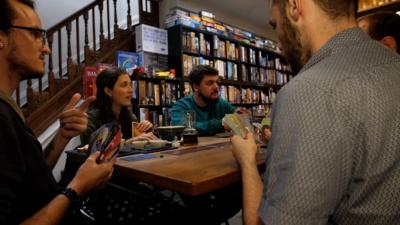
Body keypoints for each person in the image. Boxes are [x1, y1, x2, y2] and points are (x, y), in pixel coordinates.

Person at [231, 0, 400, 225]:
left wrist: (247, 161)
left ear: (294, 7)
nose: (279, 41)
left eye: (275, 25)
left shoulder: (309, 89)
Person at [0, 0, 115, 224]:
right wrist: (77, 187)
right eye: (35, 34)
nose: (46, 48)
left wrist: (62, 136)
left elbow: (30, 184)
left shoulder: (9, 108)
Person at [80, 68, 157, 145]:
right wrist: (127, 143)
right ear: (108, 91)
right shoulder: (91, 119)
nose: (131, 90)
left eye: (130, 85)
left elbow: (137, 145)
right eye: (124, 85)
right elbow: (89, 149)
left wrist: (146, 129)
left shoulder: (131, 117)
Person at [171, 65, 236, 136]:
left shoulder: (221, 103)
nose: (216, 87)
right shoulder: (182, 105)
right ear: (196, 86)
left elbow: (238, 116)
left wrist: (239, 114)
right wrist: (222, 124)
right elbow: (181, 127)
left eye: (217, 82)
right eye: (209, 83)